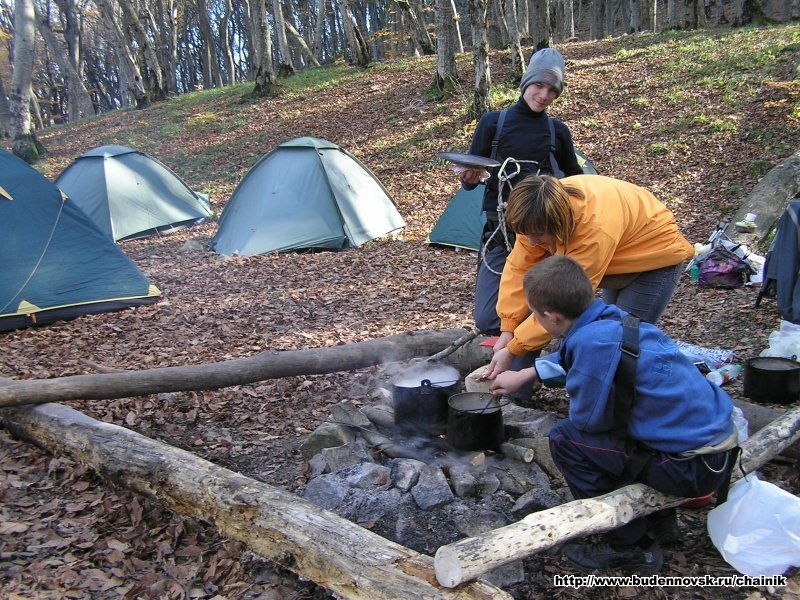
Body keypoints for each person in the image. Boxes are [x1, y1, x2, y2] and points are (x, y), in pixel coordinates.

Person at [494, 255, 737, 574]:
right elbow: (584, 358)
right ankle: (661, 523)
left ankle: (632, 546)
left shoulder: (591, 344)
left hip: (690, 468)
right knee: (631, 425)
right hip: (718, 447)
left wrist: (573, 392)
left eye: (536, 316)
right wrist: (526, 374)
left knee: (567, 440)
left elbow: (589, 422)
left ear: (552, 317)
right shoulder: (612, 319)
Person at [483, 173, 695, 389]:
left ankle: (611, 405)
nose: (531, 242)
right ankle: (522, 392)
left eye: (538, 235)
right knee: (600, 337)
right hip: (617, 252)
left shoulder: (593, 229)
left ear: (557, 224)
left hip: (654, 256)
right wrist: (508, 328)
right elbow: (519, 269)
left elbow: (560, 302)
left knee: (617, 343)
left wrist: (513, 349)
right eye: (525, 234)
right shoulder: (534, 212)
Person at [458, 47, 583, 336]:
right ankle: (513, 344)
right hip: (499, 232)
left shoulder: (557, 131)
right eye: (539, 85)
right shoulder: (492, 123)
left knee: (549, 310)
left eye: (552, 90)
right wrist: (469, 178)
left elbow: (578, 183)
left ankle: (530, 354)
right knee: (488, 319)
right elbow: (469, 179)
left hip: (544, 238)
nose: (544, 95)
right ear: (526, 82)